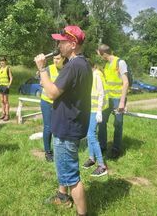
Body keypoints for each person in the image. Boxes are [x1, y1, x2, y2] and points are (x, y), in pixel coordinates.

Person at [34, 25, 92, 216]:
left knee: (71, 175)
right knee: (63, 165)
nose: (58, 44)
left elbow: (51, 93)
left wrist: (42, 69)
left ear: (73, 44)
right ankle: (62, 196)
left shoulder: (74, 66)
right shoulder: (82, 63)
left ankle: (81, 213)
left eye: (62, 41)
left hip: (67, 127)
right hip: (70, 123)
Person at [97, 44, 129, 159]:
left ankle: (116, 149)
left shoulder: (120, 62)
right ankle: (102, 146)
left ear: (103, 54)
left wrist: (122, 102)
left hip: (118, 100)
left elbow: (125, 82)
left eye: (100, 55)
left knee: (118, 124)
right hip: (107, 99)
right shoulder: (106, 65)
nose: (100, 57)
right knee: (101, 122)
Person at [83, 59, 108, 177]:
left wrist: (99, 111)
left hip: (95, 110)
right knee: (88, 134)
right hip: (89, 109)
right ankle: (91, 158)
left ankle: (102, 165)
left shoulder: (97, 75)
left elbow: (101, 93)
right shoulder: (91, 74)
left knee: (92, 135)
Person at [40, 54, 65, 162]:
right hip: (47, 102)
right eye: (54, 58)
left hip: (60, 103)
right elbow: (41, 82)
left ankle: (59, 149)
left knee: (59, 126)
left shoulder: (66, 69)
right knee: (48, 127)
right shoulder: (48, 69)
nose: (55, 60)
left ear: (63, 59)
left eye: (58, 58)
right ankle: (48, 152)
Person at [0, 57, 13, 121]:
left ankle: (7, 115)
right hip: (0, 86)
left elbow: (11, 77)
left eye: (3, 61)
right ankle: (3, 113)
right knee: (2, 100)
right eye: (1, 61)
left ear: (5, 62)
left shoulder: (8, 68)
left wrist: (9, 85)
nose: (2, 62)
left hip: (5, 86)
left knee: (6, 101)